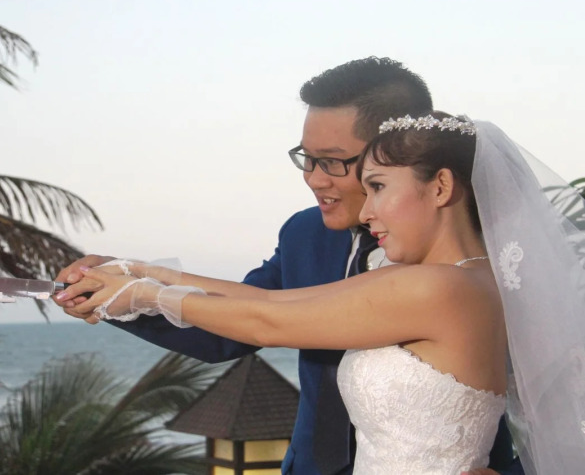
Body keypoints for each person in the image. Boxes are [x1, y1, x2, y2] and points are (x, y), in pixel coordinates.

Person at [55, 57, 518, 474]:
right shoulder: (305, 234)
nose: (313, 179)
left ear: (401, 151)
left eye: (333, 162)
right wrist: (126, 280)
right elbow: (259, 307)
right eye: (306, 159)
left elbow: (268, 320)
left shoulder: (486, 267)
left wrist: (143, 289)